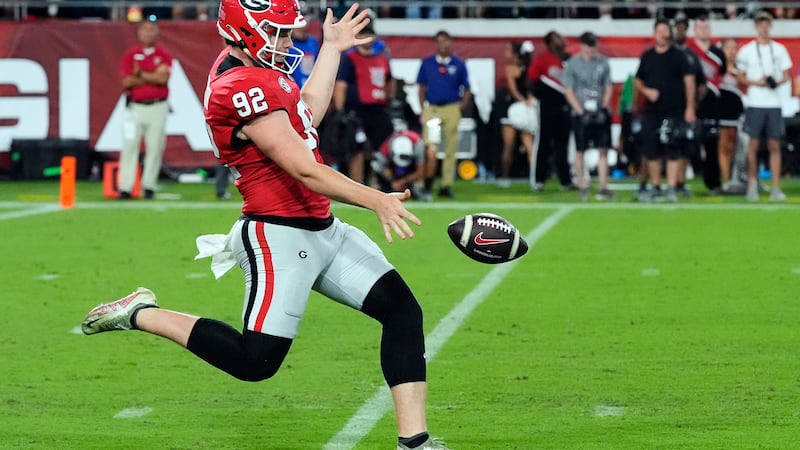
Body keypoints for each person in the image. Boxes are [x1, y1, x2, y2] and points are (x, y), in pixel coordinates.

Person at [81, 2, 448, 450]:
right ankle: (140, 313)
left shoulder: (256, 69)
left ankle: (414, 441)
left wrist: (332, 49)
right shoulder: (237, 85)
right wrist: (375, 199)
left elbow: (305, 118)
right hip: (278, 234)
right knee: (256, 362)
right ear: (247, 32)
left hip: (323, 227)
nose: (288, 43)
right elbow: (303, 168)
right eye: (279, 33)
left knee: (402, 312)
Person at [633, 18, 696, 202]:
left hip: (675, 109)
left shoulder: (679, 56)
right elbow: (637, 79)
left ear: (670, 33)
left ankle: (671, 187)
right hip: (652, 110)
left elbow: (689, 82)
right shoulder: (648, 56)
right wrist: (646, 91)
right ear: (654, 33)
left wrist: (690, 107)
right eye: (659, 30)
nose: (663, 34)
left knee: (673, 147)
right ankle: (655, 186)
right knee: (651, 148)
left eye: (665, 30)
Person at [736, 10, 792, 202]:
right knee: (753, 145)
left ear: (771, 26)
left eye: (766, 24)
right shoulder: (747, 50)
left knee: (774, 144)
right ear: (756, 26)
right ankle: (752, 185)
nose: (764, 27)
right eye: (760, 24)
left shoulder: (779, 49)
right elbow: (740, 77)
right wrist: (756, 82)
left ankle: (776, 187)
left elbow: (787, 74)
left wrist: (776, 81)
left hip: (774, 103)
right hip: (755, 102)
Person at [333, 23, 394, 184]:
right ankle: (357, 186)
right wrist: (340, 111)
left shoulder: (382, 57)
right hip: (356, 111)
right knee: (357, 150)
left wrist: (391, 101)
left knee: (382, 150)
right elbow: (341, 85)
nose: (367, 39)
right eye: (363, 35)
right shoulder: (350, 58)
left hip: (379, 110)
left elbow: (389, 81)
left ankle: (382, 184)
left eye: (370, 35)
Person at [118, 19, 172, 200]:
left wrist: (140, 74)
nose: (148, 33)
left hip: (157, 106)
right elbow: (126, 81)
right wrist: (151, 76)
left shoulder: (163, 54)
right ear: (139, 33)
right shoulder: (130, 55)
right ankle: (125, 187)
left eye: (151, 30)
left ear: (157, 32)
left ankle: (149, 186)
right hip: (134, 108)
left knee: (155, 147)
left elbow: (162, 79)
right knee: (129, 146)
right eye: (145, 30)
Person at [416, 30, 472, 199]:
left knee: (450, 148)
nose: (443, 45)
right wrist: (423, 109)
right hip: (433, 109)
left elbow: (467, 89)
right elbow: (422, 88)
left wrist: (460, 107)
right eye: (440, 41)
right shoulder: (427, 63)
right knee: (431, 146)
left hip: (451, 108)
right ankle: (423, 182)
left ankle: (446, 184)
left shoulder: (459, 64)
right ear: (436, 44)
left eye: (446, 41)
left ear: (450, 43)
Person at [562, 31, 616, 200]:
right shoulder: (573, 64)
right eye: (588, 46)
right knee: (580, 150)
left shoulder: (603, 63)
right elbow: (569, 90)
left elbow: (608, 86)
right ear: (582, 46)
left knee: (603, 150)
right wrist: (580, 111)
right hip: (581, 111)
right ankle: (582, 184)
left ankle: (603, 186)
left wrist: (603, 107)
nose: (591, 50)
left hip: (599, 110)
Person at [526, 30, 574, 191]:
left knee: (563, 145)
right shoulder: (542, 60)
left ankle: (565, 180)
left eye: (561, 37)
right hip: (547, 106)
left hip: (565, 106)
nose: (561, 41)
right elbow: (530, 80)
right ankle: (539, 180)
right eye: (556, 39)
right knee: (543, 143)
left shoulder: (569, 60)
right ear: (550, 43)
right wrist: (540, 95)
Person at [497, 40, 536, 189]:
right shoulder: (529, 67)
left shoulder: (512, 68)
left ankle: (506, 177)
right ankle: (534, 178)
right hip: (525, 108)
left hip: (514, 109)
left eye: (508, 50)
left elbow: (513, 90)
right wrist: (528, 100)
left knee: (509, 145)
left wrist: (523, 100)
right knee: (528, 144)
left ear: (515, 53)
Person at [717, 37, 745, 192]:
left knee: (735, 144)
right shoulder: (718, 69)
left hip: (736, 108)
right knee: (724, 144)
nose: (732, 51)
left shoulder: (740, 70)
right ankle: (725, 179)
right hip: (722, 108)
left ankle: (736, 177)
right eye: (729, 48)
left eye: (735, 48)